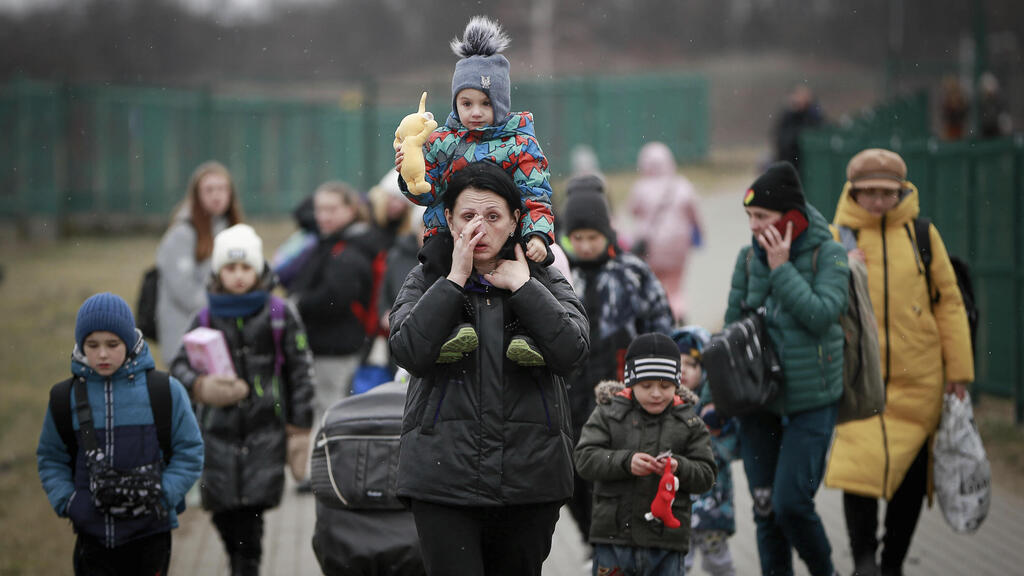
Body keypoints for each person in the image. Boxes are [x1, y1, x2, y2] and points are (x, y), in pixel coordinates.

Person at [388, 161, 588, 576]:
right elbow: (408, 350)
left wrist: (525, 287)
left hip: (530, 479)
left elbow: (573, 351)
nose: (479, 227)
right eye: (467, 216)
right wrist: (455, 279)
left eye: (493, 216)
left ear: (516, 220)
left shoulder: (545, 277)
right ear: (447, 218)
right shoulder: (426, 277)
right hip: (442, 480)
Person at [824, 148, 974, 576]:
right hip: (858, 380)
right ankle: (865, 561)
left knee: (910, 479)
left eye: (886, 192)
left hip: (919, 378)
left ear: (901, 190)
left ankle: (893, 563)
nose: (877, 201)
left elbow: (949, 304)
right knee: (859, 474)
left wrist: (958, 372)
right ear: (853, 191)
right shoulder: (838, 239)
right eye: (868, 192)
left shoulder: (923, 236)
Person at [394, 16, 555, 366]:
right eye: (466, 104)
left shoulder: (520, 143)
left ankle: (527, 336)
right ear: (455, 104)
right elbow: (428, 192)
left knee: (525, 271)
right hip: (449, 232)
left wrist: (538, 235)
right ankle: (451, 330)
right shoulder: (442, 141)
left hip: (505, 232)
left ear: (501, 102)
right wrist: (411, 174)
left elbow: (535, 193)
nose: (476, 113)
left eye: (485, 103)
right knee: (437, 264)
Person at [170, 224, 315, 575]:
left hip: (265, 432)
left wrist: (299, 429)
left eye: (245, 267)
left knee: (251, 517)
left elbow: (300, 373)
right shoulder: (204, 316)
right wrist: (201, 386)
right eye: (230, 268)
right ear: (219, 271)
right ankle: (239, 559)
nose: (238, 276)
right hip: (216, 434)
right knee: (222, 511)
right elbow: (178, 366)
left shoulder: (280, 314)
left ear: (258, 269)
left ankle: (244, 565)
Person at [726, 161, 848, 576]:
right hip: (758, 402)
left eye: (763, 217)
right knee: (765, 510)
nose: (755, 227)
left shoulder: (829, 253)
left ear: (791, 218)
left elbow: (821, 315)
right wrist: (710, 402)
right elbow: (729, 337)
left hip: (811, 402)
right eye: (750, 218)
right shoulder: (747, 259)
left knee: (791, 504)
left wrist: (782, 269)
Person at [37, 293, 204, 576]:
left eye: (112, 344)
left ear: (130, 341)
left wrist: (164, 494)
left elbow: (191, 451)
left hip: (151, 536)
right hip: (92, 539)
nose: (102, 354)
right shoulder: (64, 398)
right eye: (92, 345)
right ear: (81, 345)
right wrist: (69, 501)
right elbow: (51, 457)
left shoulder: (165, 391)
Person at [560, 173, 675, 547]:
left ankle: (617, 543)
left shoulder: (631, 273)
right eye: (578, 238)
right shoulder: (560, 275)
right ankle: (592, 541)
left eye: (593, 237)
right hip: (571, 396)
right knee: (573, 479)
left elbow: (660, 323)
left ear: (608, 233)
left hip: (621, 394)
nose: (586, 246)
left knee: (615, 475)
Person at [574, 332, 717, 576]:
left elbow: (706, 474)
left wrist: (678, 466)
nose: (656, 394)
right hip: (613, 538)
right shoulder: (608, 413)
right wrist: (625, 462)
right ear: (630, 382)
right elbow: (585, 459)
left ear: (677, 384)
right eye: (646, 385)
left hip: (667, 543)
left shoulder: (689, 420)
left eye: (665, 386)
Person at [287, 181, 379, 421]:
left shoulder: (349, 250)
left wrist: (298, 304)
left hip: (336, 347)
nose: (323, 215)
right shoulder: (331, 243)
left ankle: (326, 459)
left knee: (330, 412)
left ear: (350, 210)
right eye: (320, 209)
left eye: (332, 208)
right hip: (329, 344)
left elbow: (335, 298)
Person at [156, 161, 243, 363]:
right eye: (209, 190)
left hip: (222, 332)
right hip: (186, 333)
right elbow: (184, 291)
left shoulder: (231, 230)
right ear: (197, 195)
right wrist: (224, 308)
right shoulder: (182, 234)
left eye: (222, 189)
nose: (216, 195)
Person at [671, 326, 739, 576]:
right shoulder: (665, 405)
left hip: (713, 503)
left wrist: (718, 426)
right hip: (677, 505)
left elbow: (731, 449)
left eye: (692, 363)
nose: (683, 370)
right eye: (677, 363)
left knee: (718, 560)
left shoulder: (716, 408)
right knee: (678, 561)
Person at [625, 141, 704, 322]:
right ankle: (678, 310)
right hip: (679, 244)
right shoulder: (682, 185)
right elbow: (694, 214)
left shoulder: (641, 187)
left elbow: (632, 211)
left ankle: (659, 314)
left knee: (655, 282)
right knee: (676, 284)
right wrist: (699, 236)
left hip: (650, 246)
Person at [773, 85, 824, 172]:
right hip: (789, 160)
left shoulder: (813, 114)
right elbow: (781, 138)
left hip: (805, 164)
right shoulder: (788, 115)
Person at [939, 75, 969, 141]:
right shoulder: (946, 101)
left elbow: (964, 113)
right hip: (950, 129)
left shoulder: (960, 100)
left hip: (958, 129)